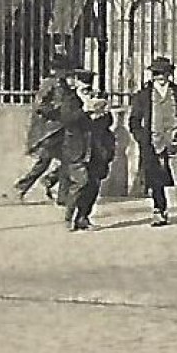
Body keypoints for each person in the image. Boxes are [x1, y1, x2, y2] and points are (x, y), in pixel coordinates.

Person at [127, 56, 177, 228]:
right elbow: (134, 121)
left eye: (163, 73)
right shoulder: (143, 96)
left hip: (175, 142)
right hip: (153, 143)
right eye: (157, 73)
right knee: (155, 179)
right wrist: (142, 138)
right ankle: (159, 212)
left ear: (169, 74)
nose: (160, 77)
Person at [10, 57, 81, 202]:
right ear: (58, 70)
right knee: (45, 161)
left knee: (67, 160)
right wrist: (55, 112)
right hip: (49, 130)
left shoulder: (63, 85)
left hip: (60, 128)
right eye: (65, 71)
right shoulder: (49, 84)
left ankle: (48, 181)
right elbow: (39, 105)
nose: (68, 74)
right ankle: (23, 186)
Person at [67, 71, 114, 232]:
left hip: (97, 148)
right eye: (82, 84)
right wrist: (85, 110)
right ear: (75, 83)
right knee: (81, 182)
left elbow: (108, 123)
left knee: (94, 185)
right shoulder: (70, 100)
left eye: (88, 86)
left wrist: (103, 113)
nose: (86, 89)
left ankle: (83, 217)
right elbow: (67, 120)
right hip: (77, 148)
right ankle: (68, 218)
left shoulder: (96, 98)